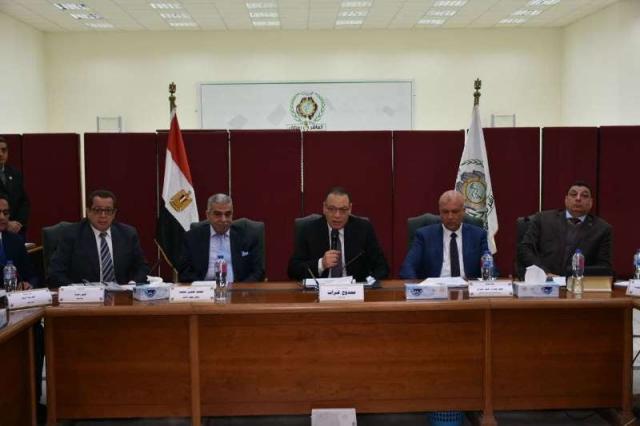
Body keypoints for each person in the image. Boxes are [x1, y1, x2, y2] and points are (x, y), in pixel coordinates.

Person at [48, 189, 150, 285]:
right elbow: (55, 272)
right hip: (85, 295)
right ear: (88, 212)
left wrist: (132, 285)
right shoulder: (71, 234)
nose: (103, 215)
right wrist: (76, 290)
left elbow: (142, 267)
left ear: (114, 213)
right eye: (97, 210)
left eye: (108, 210)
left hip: (121, 294)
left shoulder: (127, 234)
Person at [288, 187, 389, 282]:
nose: (337, 215)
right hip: (319, 291)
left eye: (343, 210)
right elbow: (293, 270)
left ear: (350, 209)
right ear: (324, 208)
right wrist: (321, 264)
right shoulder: (309, 230)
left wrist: (367, 284)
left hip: (355, 291)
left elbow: (382, 267)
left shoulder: (363, 229)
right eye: (332, 209)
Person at [518, 181, 612, 277]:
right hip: (542, 280)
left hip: (579, 282)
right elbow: (525, 249)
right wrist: (543, 273)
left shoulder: (602, 229)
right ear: (566, 199)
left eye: (584, 196)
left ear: (591, 202)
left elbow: (603, 267)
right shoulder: (543, 219)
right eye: (573, 194)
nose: (578, 198)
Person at [399, 190, 488, 279]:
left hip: (468, 285)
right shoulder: (424, 236)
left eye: (455, 212)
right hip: (434, 286)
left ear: (463, 211)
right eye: (445, 212)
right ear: (440, 212)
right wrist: (417, 286)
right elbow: (407, 268)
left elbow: (489, 267)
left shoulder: (478, 235)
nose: (450, 217)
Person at [178, 193, 265, 283]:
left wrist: (240, 288)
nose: (223, 219)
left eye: (228, 214)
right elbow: (185, 273)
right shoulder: (192, 237)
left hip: (237, 288)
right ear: (208, 215)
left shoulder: (248, 236)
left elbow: (258, 272)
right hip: (204, 289)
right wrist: (203, 287)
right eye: (218, 214)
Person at [0, 136, 30, 236]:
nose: (1, 154)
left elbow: (23, 202)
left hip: (15, 230)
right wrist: (6, 223)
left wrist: (18, 223)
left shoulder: (15, 173)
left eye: (3, 150)